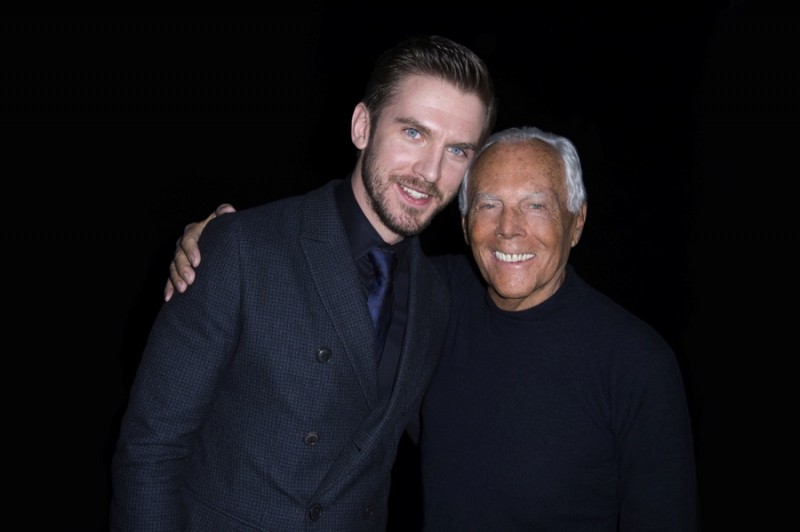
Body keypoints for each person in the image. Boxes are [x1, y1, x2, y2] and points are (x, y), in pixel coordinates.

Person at [165, 126, 698, 530]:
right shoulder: (429, 299)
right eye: (488, 204)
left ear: (576, 220)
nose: (509, 228)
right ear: (465, 224)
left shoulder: (636, 361)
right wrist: (219, 237)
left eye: (536, 205)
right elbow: (317, 258)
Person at [110, 34, 497, 531]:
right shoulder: (244, 247)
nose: (430, 172)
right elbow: (151, 447)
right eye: (414, 133)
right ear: (363, 126)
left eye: (458, 150)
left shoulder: (437, 296)